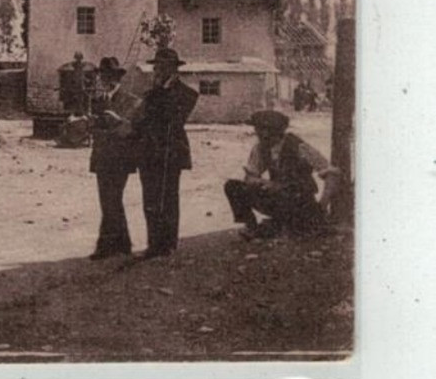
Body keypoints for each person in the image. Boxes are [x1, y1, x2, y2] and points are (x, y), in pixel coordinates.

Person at [225, 109, 338, 238]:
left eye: (262, 130)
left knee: (295, 227)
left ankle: (293, 224)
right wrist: (257, 181)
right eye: (258, 129)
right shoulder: (260, 148)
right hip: (278, 199)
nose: (258, 133)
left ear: (273, 131)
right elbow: (251, 175)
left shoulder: (299, 146)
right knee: (232, 186)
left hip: (299, 200)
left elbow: (332, 174)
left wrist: (322, 205)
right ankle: (251, 226)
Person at [133, 46, 198, 259]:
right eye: (156, 66)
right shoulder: (150, 94)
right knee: (150, 199)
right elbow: (141, 120)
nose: (158, 70)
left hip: (171, 152)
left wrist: (161, 91)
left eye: (163, 67)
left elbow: (172, 119)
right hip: (149, 152)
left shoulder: (187, 94)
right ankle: (154, 244)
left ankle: (168, 244)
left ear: (173, 69)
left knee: (169, 197)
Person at [87, 56, 143, 260]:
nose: (107, 80)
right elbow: (93, 128)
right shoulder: (97, 101)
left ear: (119, 78)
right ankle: (121, 243)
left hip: (120, 158)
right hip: (102, 156)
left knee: (112, 199)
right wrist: (90, 124)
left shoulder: (132, 101)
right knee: (107, 200)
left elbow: (131, 129)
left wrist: (116, 121)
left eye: (111, 76)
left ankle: (107, 246)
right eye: (104, 76)